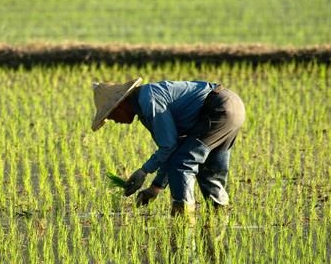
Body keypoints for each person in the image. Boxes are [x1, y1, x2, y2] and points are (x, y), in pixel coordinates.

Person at [91, 77, 245, 216]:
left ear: (120, 106)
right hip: (233, 106)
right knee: (210, 172)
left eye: (110, 116)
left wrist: (143, 171)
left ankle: (184, 220)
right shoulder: (145, 100)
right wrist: (155, 188)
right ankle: (220, 218)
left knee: (182, 163)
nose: (114, 121)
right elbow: (172, 149)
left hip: (218, 109)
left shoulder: (148, 101)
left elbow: (169, 146)